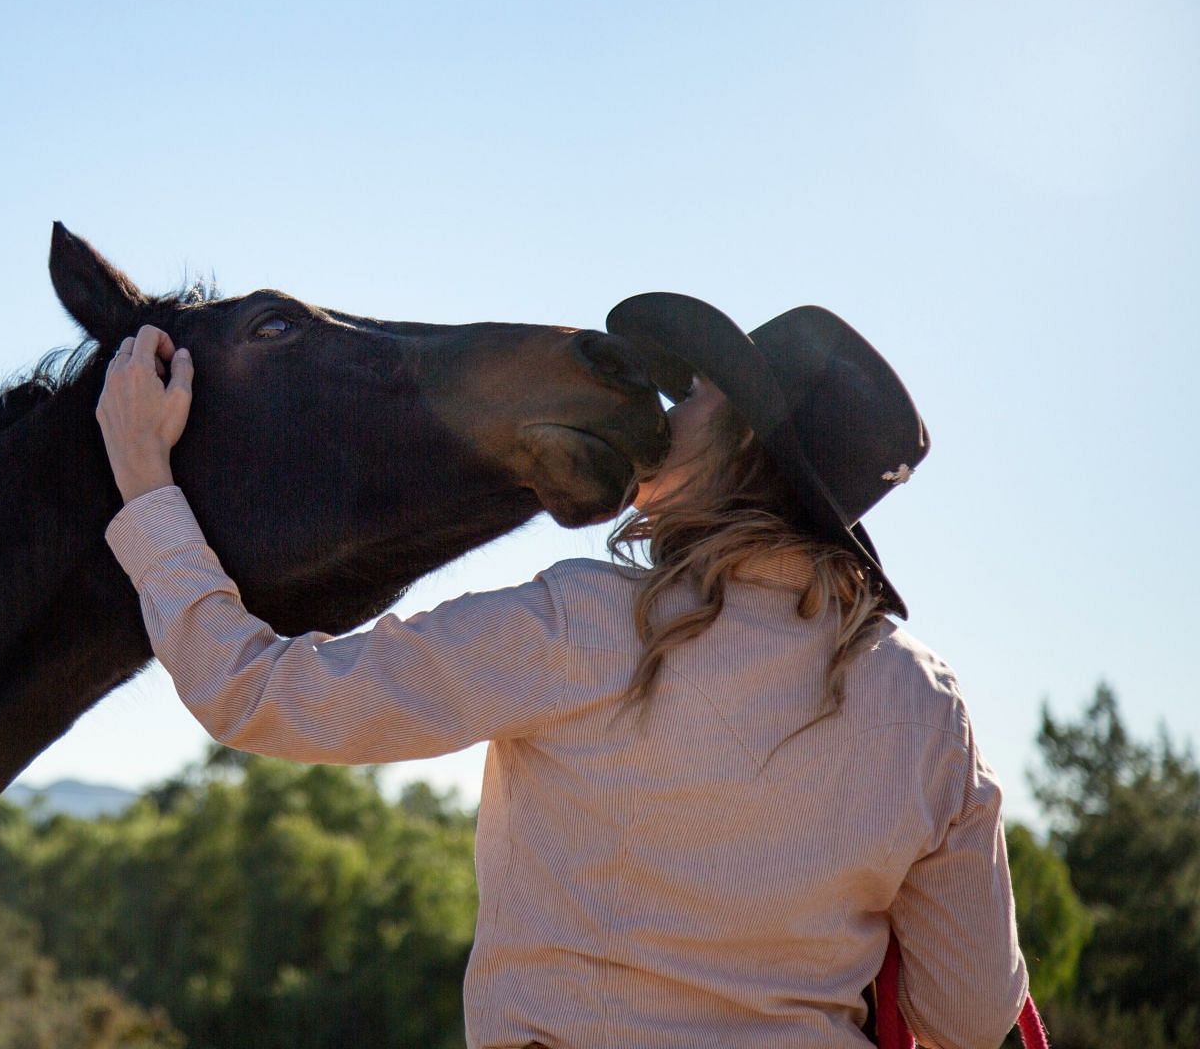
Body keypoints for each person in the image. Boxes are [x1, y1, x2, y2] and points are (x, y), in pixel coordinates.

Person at [93, 294, 1028, 1049]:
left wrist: (146, 483)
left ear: (741, 443)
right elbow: (971, 1020)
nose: (663, 411)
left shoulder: (585, 622)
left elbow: (260, 697)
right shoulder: (926, 704)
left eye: (693, 394)